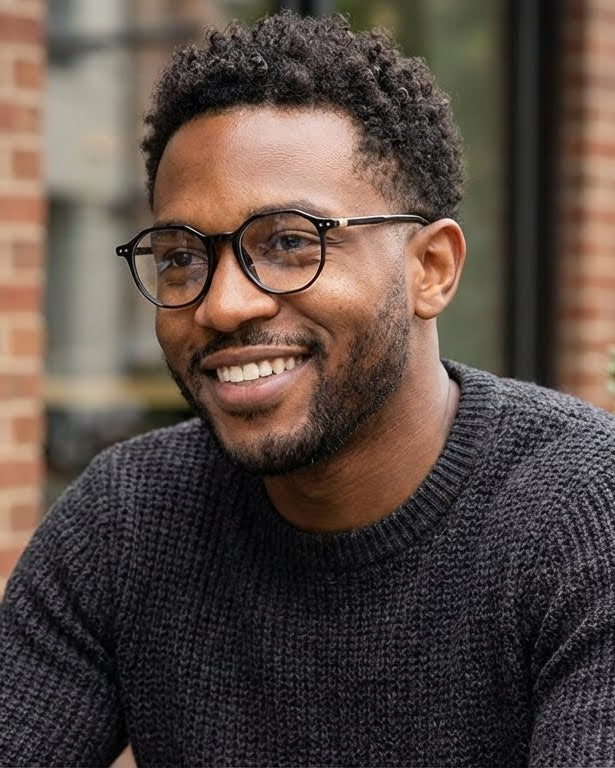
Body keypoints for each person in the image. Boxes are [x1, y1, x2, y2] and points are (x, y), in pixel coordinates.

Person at [1, 11, 614, 767]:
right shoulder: (128, 519)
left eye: (290, 243)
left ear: (431, 270)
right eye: (181, 257)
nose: (222, 305)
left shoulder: (584, 513)